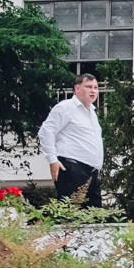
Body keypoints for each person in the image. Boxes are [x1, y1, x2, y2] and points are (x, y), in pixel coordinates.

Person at [38, 73, 105, 207]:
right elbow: (46, 131)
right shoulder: (66, 107)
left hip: (91, 172)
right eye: (88, 87)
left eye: (96, 87)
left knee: (95, 215)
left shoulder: (92, 112)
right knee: (70, 212)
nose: (93, 90)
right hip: (72, 167)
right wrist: (53, 160)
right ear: (77, 88)